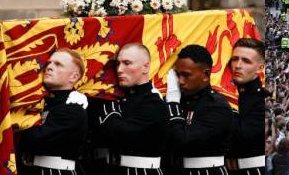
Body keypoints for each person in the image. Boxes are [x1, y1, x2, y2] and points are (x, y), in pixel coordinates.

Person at [97, 43, 168, 174]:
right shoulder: (120, 97)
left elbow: (120, 134)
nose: (119, 69)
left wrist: (110, 108)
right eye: (117, 64)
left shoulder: (153, 102)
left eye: (127, 63)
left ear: (145, 67)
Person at [163, 45, 234, 174]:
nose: (180, 81)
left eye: (186, 75)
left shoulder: (217, 106)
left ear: (206, 75)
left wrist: (173, 103)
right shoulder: (182, 101)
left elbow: (182, 141)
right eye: (177, 75)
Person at [16, 49, 88, 175]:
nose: (49, 67)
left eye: (58, 64)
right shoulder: (41, 101)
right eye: (49, 63)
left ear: (74, 76)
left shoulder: (74, 107)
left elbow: (34, 140)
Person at [226, 38, 266, 174]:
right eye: (234, 59)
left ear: (260, 68)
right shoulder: (227, 92)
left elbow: (240, 138)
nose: (238, 65)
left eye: (246, 61)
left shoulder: (262, 100)